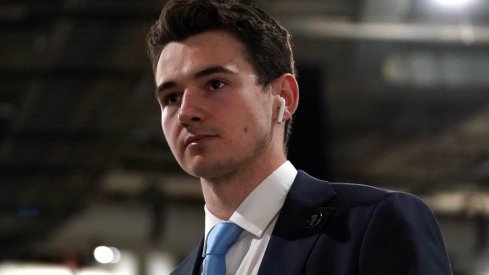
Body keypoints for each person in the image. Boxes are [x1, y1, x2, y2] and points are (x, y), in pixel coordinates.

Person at [146, 0, 453, 274]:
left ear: (284, 96)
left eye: (215, 84)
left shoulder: (373, 225)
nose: (186, 112)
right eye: (171, 98)